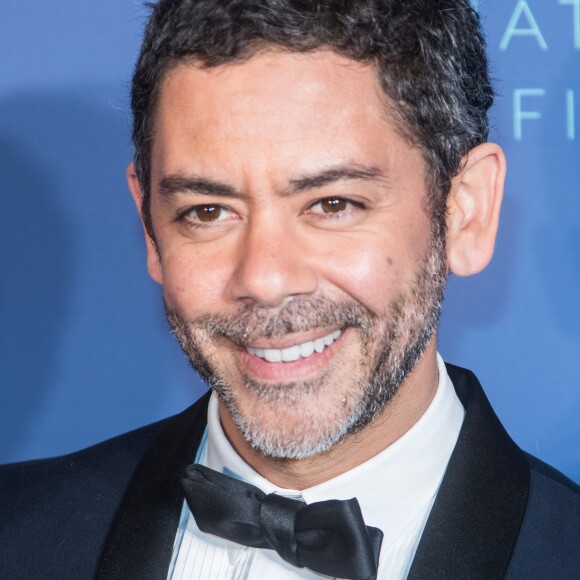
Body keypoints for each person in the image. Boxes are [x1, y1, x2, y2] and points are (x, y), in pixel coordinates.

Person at [1, 0, 579, 578]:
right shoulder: (18, 534)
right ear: (150, 226)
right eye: (208, 211)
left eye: (332, 204)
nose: (265, 279)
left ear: (465, 212)